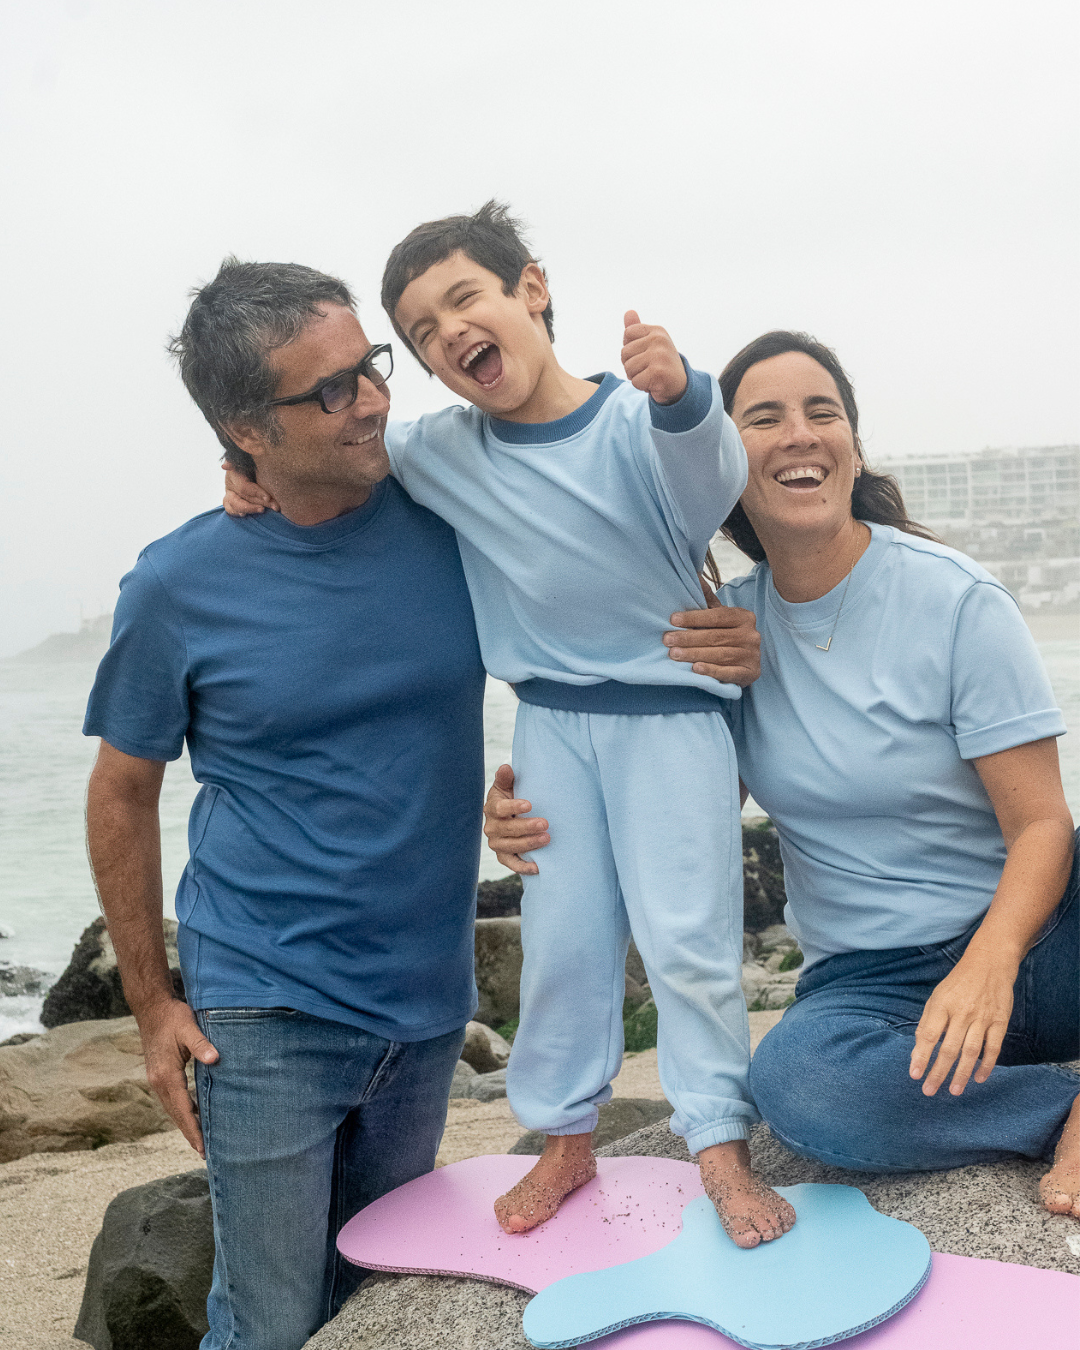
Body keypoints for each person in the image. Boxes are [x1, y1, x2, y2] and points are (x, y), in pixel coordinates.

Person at [226, 201, 795, 1249]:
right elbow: (333, 451)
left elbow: (710, 483)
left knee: (692, 944)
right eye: (423, 331)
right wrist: (249, 469)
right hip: (549, 729)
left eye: (464, 299)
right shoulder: (443, 453)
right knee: (564, 942)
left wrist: (682, 395)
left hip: (669, 719)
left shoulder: (636, 421)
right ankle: (564, 1137)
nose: (449, 332)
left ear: (531, 288)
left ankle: (717, 1142)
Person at [485, 329, 1080, 1220]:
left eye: (822, 412)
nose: (800, 433)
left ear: (852, 445)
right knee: (803, 1090)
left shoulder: (956, 601)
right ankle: (1061, 1109)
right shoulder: (718, 636)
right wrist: (538, 816)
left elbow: (1042, 825)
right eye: (763, 418)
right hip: (877, 983)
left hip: (1038, 940)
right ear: (725, 461)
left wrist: (991, 962)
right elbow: (675, 810)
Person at [84, 259, 489, 1350]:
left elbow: (582, 485)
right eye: (330, 390)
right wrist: (153, 1005)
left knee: (382, 1312)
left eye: (369, 367)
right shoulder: (178, 584)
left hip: (429, 999)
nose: (372, 400)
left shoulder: (448, 510)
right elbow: (123, 793)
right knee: (268, 1324)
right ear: (243, 430)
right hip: (264, 1008)